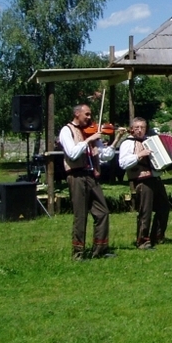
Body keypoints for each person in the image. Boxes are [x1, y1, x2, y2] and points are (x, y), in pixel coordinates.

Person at [59, 104, 116, 260]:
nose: (90, 118)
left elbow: (105, 155)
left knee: (103, 212)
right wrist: (89, 139)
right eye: (87, 114)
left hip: (92, 175)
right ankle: (78, 253)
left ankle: (100, 249)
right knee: (80, 215)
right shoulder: (67, 130)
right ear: (77, 114)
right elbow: (72, 153)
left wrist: (116, 140)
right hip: (76, 175)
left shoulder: (90, 131)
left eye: (90, 115)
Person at [118, 117, 170, 249]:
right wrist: (139, 155)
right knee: (145, 211)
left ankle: (157, 237)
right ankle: (142, 241)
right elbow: (123, 163)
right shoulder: (127, 143)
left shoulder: (151, 141)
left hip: (155, 178)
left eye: (143, 127)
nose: (140, 130)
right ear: (132, 129)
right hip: (141, 180)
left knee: (164, 207)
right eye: (137, 128)